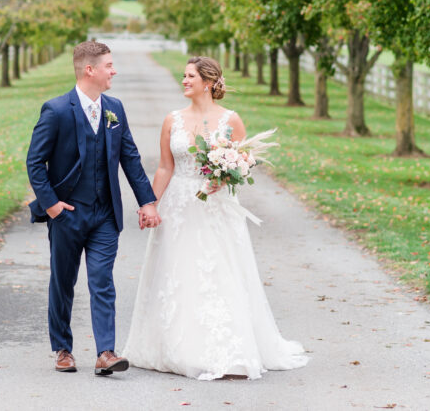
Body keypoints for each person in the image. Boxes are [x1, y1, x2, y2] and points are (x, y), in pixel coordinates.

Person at [122, 56, 308, 380]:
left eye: (189, 76)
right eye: (183, 75)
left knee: (216, 272)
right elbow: (166, 166)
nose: (184, 80)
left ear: (207, 82)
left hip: (215, 207)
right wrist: (149, 204)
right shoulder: (172, 120)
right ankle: (173, 346)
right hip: (179, 205)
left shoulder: (231, 120)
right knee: (176, 271)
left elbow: (242, 164)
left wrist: (223, 177)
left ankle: (221, 348)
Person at [26, 40, 161, 376]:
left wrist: (147, 200)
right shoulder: (56, 110)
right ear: (90, 70)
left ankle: (106, 352)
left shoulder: (115, 107)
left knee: (102, 280)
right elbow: (34, 162)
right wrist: (52, 206)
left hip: (105, 214)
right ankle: (62, 349)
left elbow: (129, 157)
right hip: (67, 213)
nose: (114, 70)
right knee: (63, 282)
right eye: (109, 65)